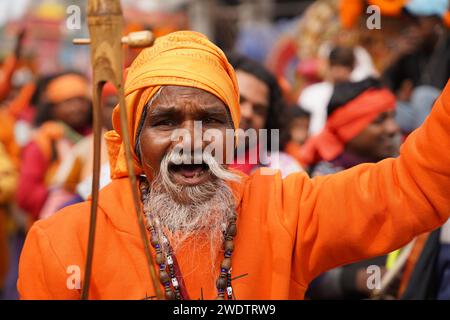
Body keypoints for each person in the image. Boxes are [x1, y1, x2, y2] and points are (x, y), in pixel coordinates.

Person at [17, 31, 450, 300]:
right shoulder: (65, 242)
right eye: (165, 122)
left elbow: (411, 186)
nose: (191, 140)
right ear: (134, 142)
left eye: (211, 121)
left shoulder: (284, 209)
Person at [301, 78, 401, 299]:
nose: (393, 128)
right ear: (348, 129)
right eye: (379, 120)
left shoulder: (400, 173)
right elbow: (301, 267)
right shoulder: (320, 186)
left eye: (393, 117)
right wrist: (356, 280)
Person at [16, 72, 92, 220]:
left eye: (81, 101)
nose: (76, 108)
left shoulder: (96, 136)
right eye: (68, 102)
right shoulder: (41, 142)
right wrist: (66, 192)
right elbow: (25, 196)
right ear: (53, 107)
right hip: (51, 222)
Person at [226, 53, 303, 177]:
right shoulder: (188, 163)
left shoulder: (284, 172)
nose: (248, 113)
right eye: (239, 100)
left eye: (259, 110)